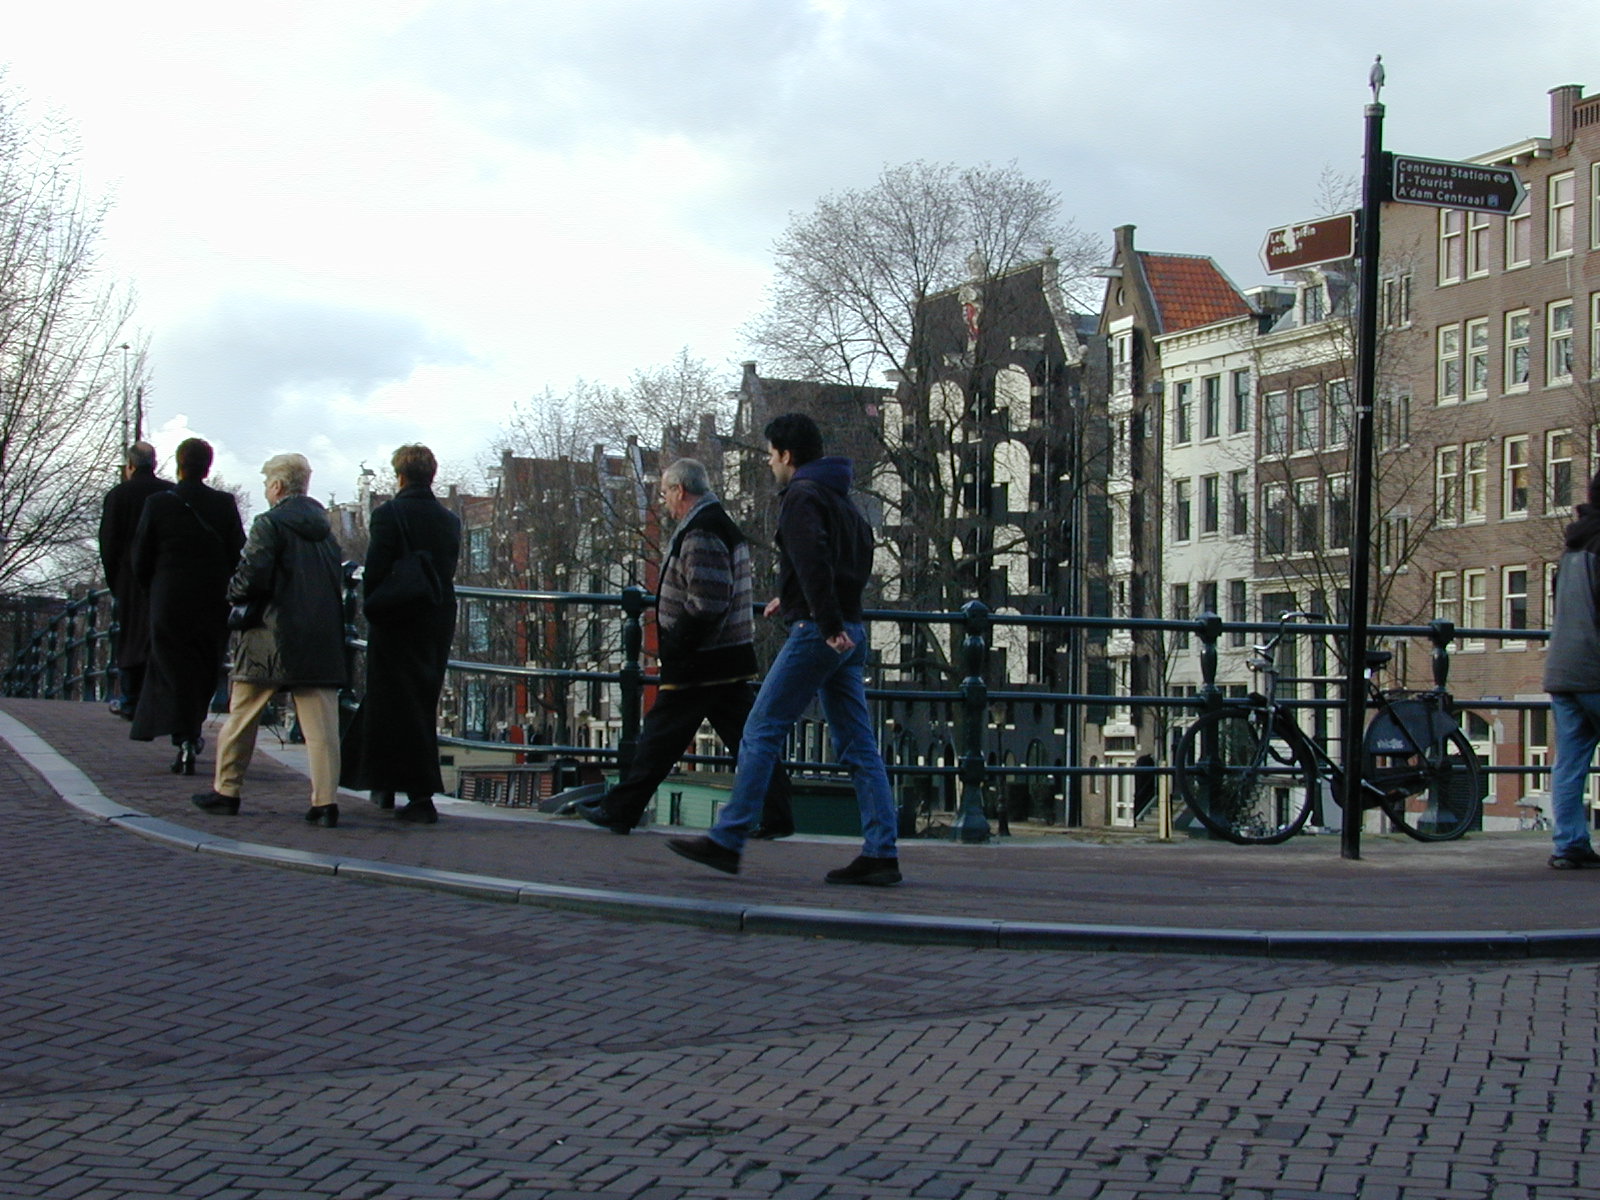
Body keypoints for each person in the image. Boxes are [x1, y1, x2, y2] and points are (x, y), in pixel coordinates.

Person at [667, 413, 899, 885]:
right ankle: (881, 852)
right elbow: (854, 557)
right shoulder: (842, 498)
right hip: (850, 631)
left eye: (772, 455)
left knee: (760, 729)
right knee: (859, 746)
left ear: (787, 455)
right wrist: (794, 599)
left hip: (820, 632)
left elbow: (813, 558)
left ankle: (728, 838)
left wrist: (824, 620)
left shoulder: (801, 496)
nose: (770, 464)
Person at [578, 457, 793, 837]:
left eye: (665, 493)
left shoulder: (702, 531)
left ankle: (620, 810)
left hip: (701, 662)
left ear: (680, 490)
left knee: (660, 737)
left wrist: (677, 644)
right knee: (748, 739)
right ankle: (778, 814)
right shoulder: (718, 524)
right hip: (725, 658)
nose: (663, 502)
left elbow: (707, 601)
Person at [191, 453, 347, 827]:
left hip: (269, 635)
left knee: (243, 714)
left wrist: (234, 592)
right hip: (319, 636)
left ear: (277, 486)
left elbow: (253, 574)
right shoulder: (326, 531)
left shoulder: (269, 524)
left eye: (266, 483)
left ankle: (227, 791)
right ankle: (325, 803)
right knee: (322, 728)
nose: (265, 489)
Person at [340, 444, 461, 825]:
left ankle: (416, 794)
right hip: (436, 618)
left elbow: (376, 570)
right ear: (431, 475)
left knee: (392, 699)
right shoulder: (449, 520)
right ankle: (386, 782)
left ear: (400, 476)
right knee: (419, 699)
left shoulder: (388, 514)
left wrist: (372, 606)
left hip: (396, 617)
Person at [128, 438, 246, 774]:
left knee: (171, 665)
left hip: (169, 598)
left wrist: (152, 589)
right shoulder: (223, 504)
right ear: (208, 467)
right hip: (212, 599)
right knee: (204, 666)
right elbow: (238, 551)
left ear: (179, 465)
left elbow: (141, 556)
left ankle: (182, 736)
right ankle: (191, 731)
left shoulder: (158, 504)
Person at [1542, 468, 1600, 869]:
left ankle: (1569, 845)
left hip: (1562, 669)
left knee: (1569, 762)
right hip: (1595, 668)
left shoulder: (1570, 549)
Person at [98, 442, 173, 718]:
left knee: (130, 636)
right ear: (154, 464)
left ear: (130, 466)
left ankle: (130, 699)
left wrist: (115, 579)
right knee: (160, 635)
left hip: (128, 577)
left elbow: (108, 542)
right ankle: (159, 699)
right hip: (164, 576)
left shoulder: (118, 495)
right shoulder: (170, 493)